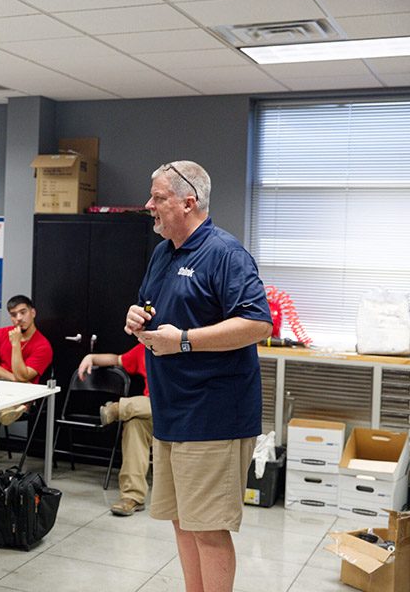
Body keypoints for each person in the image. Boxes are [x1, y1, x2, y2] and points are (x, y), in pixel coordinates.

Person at [126, 160, 271, 592]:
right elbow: (152, 308)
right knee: (182, 521)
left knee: (208, 529)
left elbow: (258, 324)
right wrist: (137, 317)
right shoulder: (163, 253)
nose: (148, 204)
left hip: (213, 416)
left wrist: (184, 341)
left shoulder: (225, 254)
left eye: (158, 197)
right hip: (171, 411)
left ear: (188, 203)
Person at [77, 342, 151, 517]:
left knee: (164, 402)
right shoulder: (145, 349)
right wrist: (91, 357)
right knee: (134, 424)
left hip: (183, 414)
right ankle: (132, 497)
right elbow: (117, 359)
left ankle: (118, 408)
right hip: (151, 415)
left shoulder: (182, 348)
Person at [0, 295, 53, 425]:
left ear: (33, 313)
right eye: (14, 315)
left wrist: (16, 344)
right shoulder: (0, 333)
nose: (19, 318)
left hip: (22, 392)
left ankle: (7, 409)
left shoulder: (43, 346)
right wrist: (12, 378)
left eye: (23, 312)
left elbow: (22, 376)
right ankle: (5, 410)